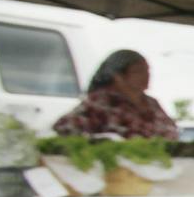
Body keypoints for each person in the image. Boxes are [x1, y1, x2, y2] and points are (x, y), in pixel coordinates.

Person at [53, 49, 181, 139]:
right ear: (118, 76)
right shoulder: (101, 101)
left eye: (147, 70)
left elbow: (171, 131)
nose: (147, 75)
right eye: (138, 71)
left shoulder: (152, 103)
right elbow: (64, 128)